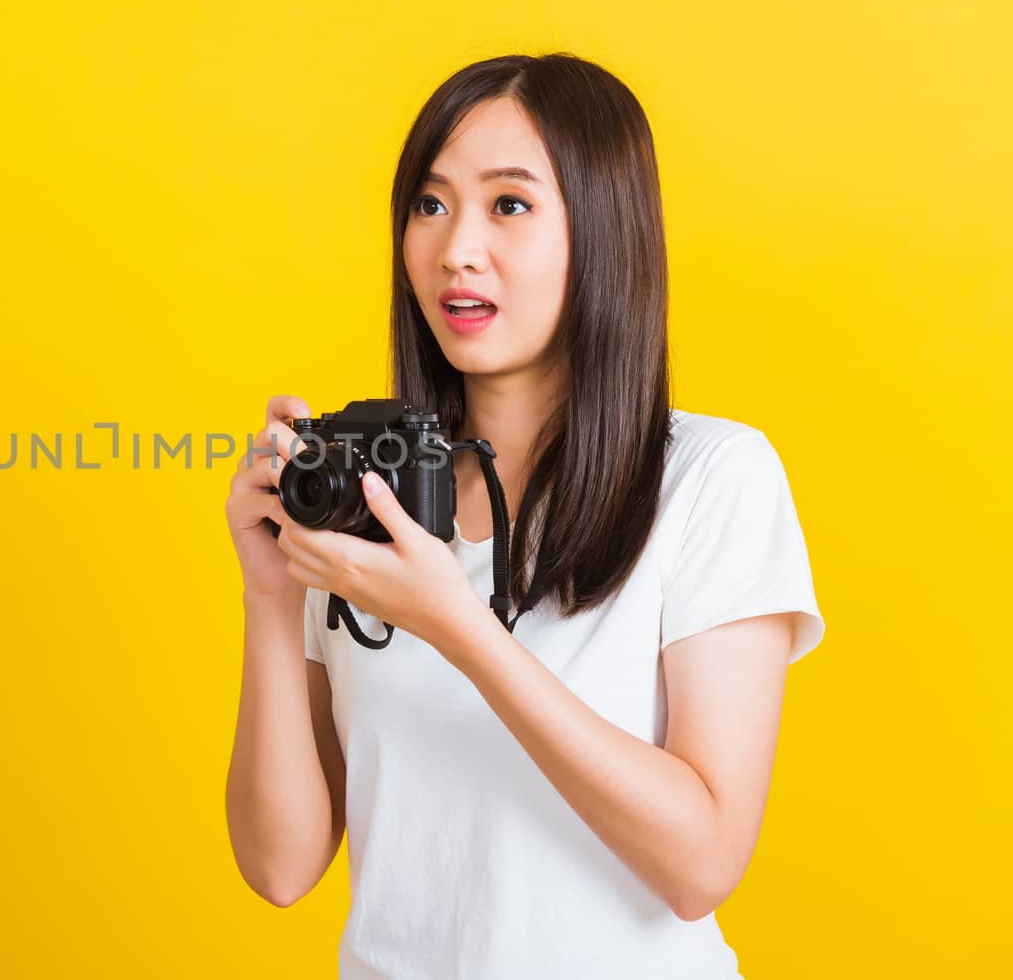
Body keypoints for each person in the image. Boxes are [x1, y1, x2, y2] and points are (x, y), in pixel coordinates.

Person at [223, 52, 825, 979]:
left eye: (509, 204)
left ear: (604, 230)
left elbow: (702, 864)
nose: (456, 247)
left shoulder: (710, 477)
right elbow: (280, 866)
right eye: (429, 204)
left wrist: (459, 629)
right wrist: (270, 593)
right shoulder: (374, 497)